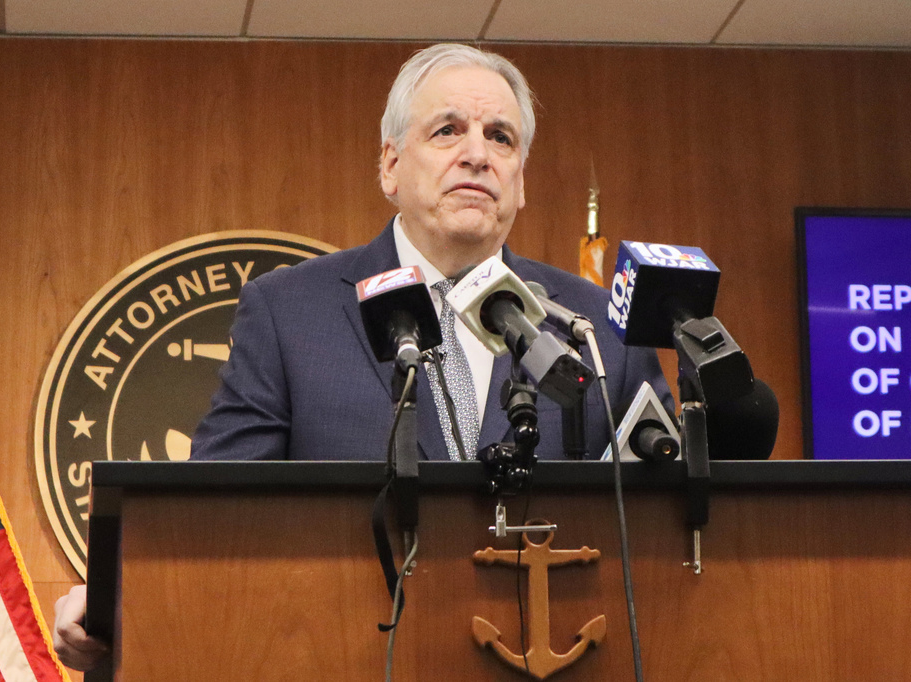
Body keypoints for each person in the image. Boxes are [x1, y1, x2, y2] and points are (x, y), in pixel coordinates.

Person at [53, 42, 672, 671]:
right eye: (448, 130)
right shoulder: (290, 312)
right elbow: (216, 512)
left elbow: (668, 528)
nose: (477, 154)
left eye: (500, 138)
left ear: (520, 182)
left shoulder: (596, 325)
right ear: (391, 166)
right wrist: (112, 599)